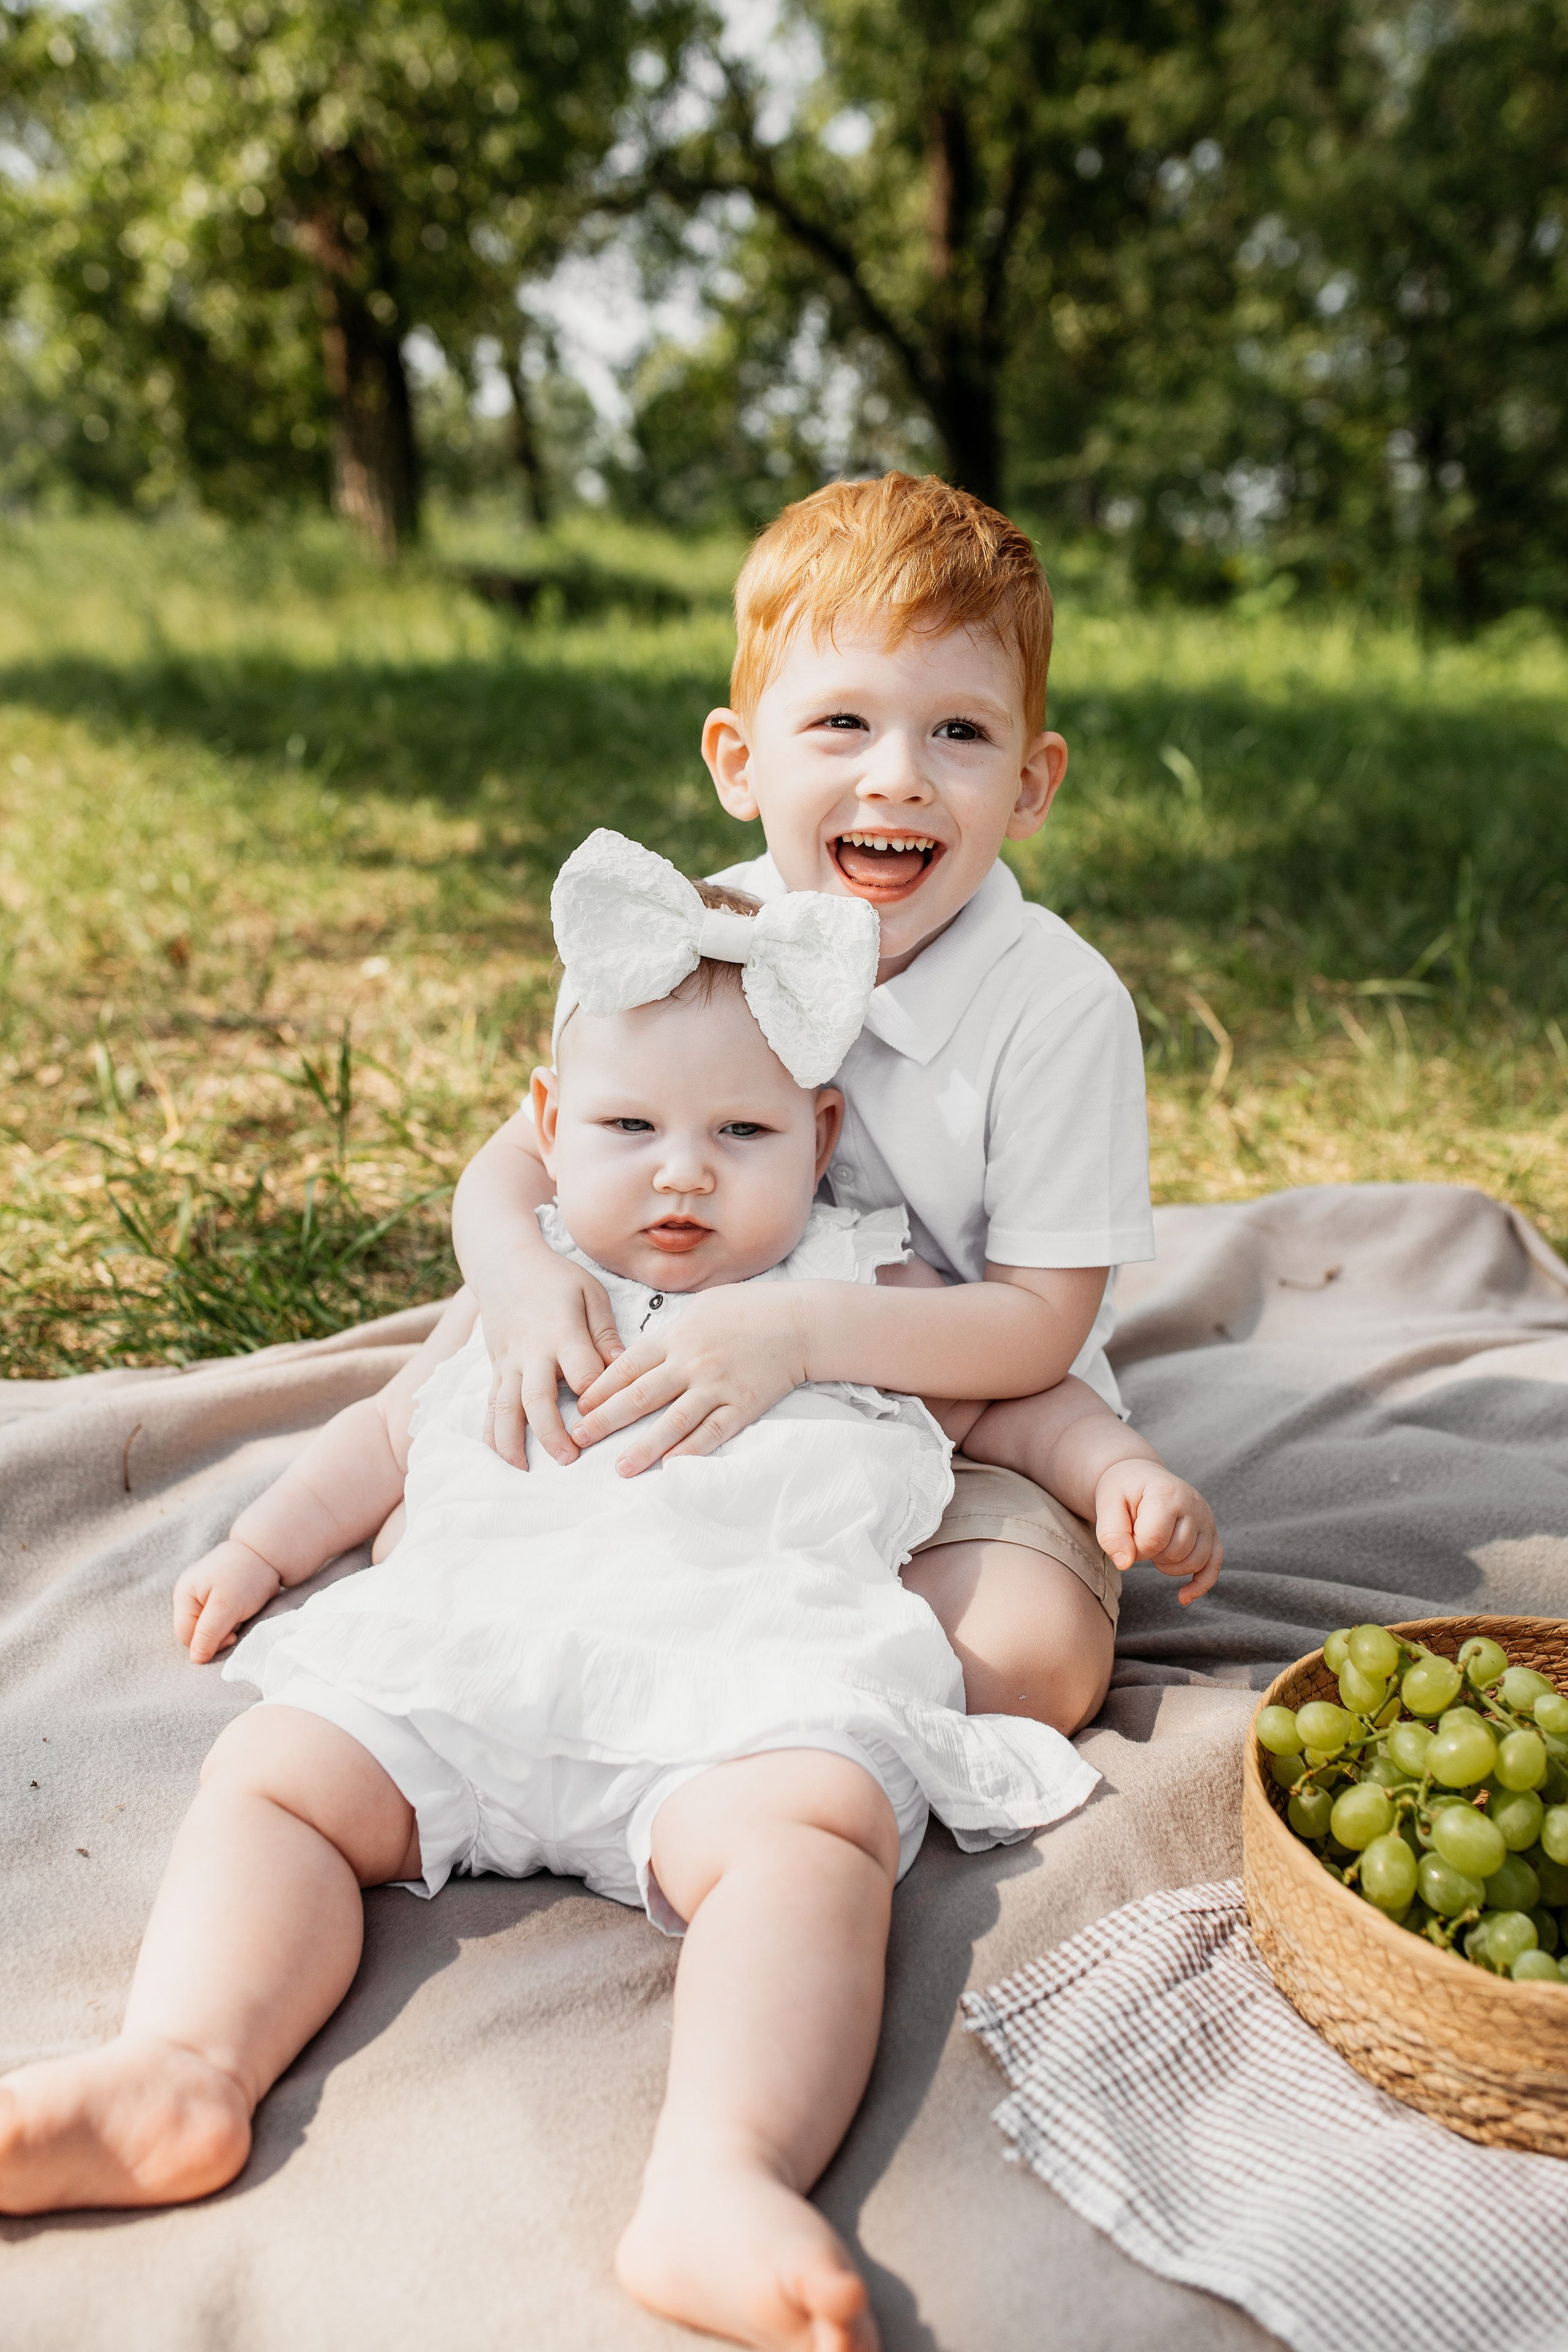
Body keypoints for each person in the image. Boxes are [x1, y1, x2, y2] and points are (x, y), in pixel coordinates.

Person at [1, 840, 1126, 2352]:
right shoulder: (528, 1287)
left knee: (814, 1845)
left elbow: (1016, 1405)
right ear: (547, 1129)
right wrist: (260, 1551)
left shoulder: (865, 1292)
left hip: (729, 1699)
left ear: (821, 1132)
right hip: (464, 1675)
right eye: (629, 1127)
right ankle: (181, 2065)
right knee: (273, 1776)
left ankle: (719, 2175)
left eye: (740, 1130)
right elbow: (382, 1438)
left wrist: (1115, 1472)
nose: (681, 1168)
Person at [450, 473, 1221, 1732]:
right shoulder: (685, 935)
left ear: (1031, 784)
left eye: (958, 735)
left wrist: (798, 1337)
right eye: (842, 725)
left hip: (969, 1411)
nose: (897, 779)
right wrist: (521, 1283)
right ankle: (636, 1659)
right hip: (681, 1349)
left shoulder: (1056, 1005)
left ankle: (767, 1711)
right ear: (739, 762)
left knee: (1024, 1662)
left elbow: (1033, 1328)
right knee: (453, 1510)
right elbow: (515, 1164)